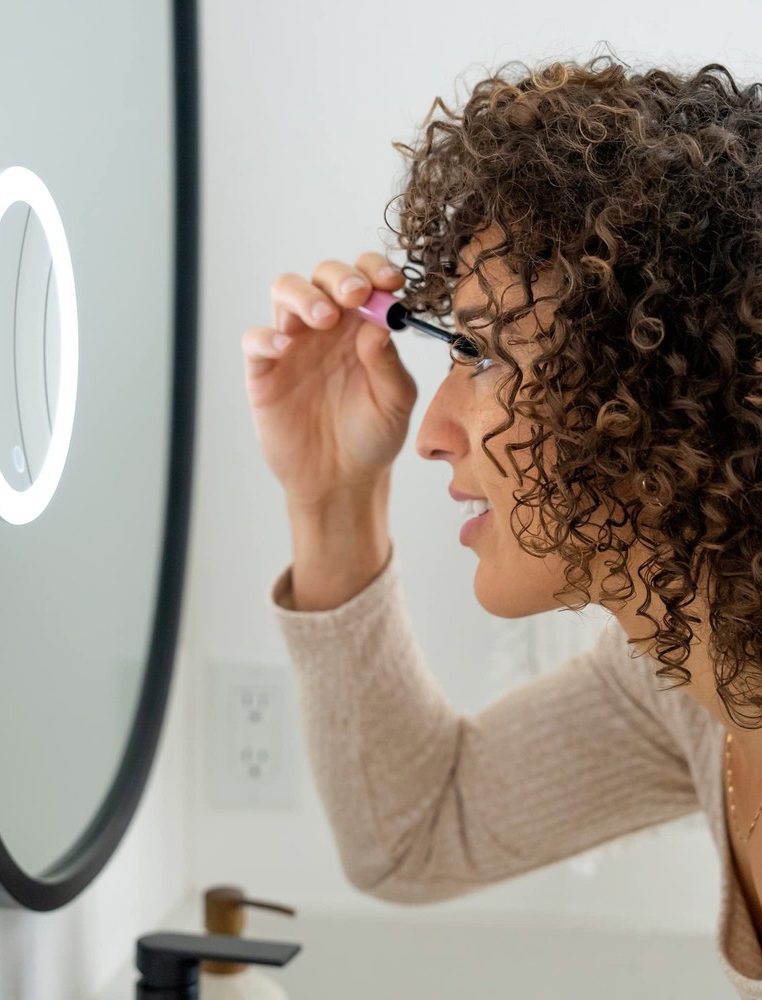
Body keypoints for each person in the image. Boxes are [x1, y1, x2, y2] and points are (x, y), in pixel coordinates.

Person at [241, 55, 762, 997]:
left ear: (658, 378)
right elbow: (414, 835)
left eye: (483, 354)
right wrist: (331, 496)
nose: (431, 432)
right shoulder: (686, 670)